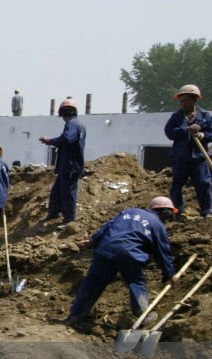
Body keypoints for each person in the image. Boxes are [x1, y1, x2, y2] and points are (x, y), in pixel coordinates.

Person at [65, 197, 178, 328]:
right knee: (136, 282)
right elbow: (163, 252)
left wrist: (93, 241)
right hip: (130, 255)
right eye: (168, 216)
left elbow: (106, 228)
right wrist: (169, 274)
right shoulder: (157, 224)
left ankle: (76, 316)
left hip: (105, 250)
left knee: (93, 283)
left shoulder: (129, 212)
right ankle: (142, 315)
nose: (166, 220)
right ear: (164, 211)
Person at [165, 84, 212, 218]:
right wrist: (186, 129)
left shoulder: (206, 116)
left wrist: (202, 135)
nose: (183, 104)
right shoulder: (176, 117)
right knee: (178, 184)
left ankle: (207, 211)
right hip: (180, 157)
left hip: (199, 158)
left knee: (203, 183)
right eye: (181, 101)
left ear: (194, 100)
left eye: (186, 100)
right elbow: (169, 133)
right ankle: (177, 211)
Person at [40, 98, 86, 227]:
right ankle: (54, 212)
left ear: (63, 113)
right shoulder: (79, 125)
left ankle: (69, 220)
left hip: (70, 166)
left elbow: (66, 139)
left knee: (68, 193)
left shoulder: (72, 125)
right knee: (57, 191)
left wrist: (50, 141)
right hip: (68, 166)